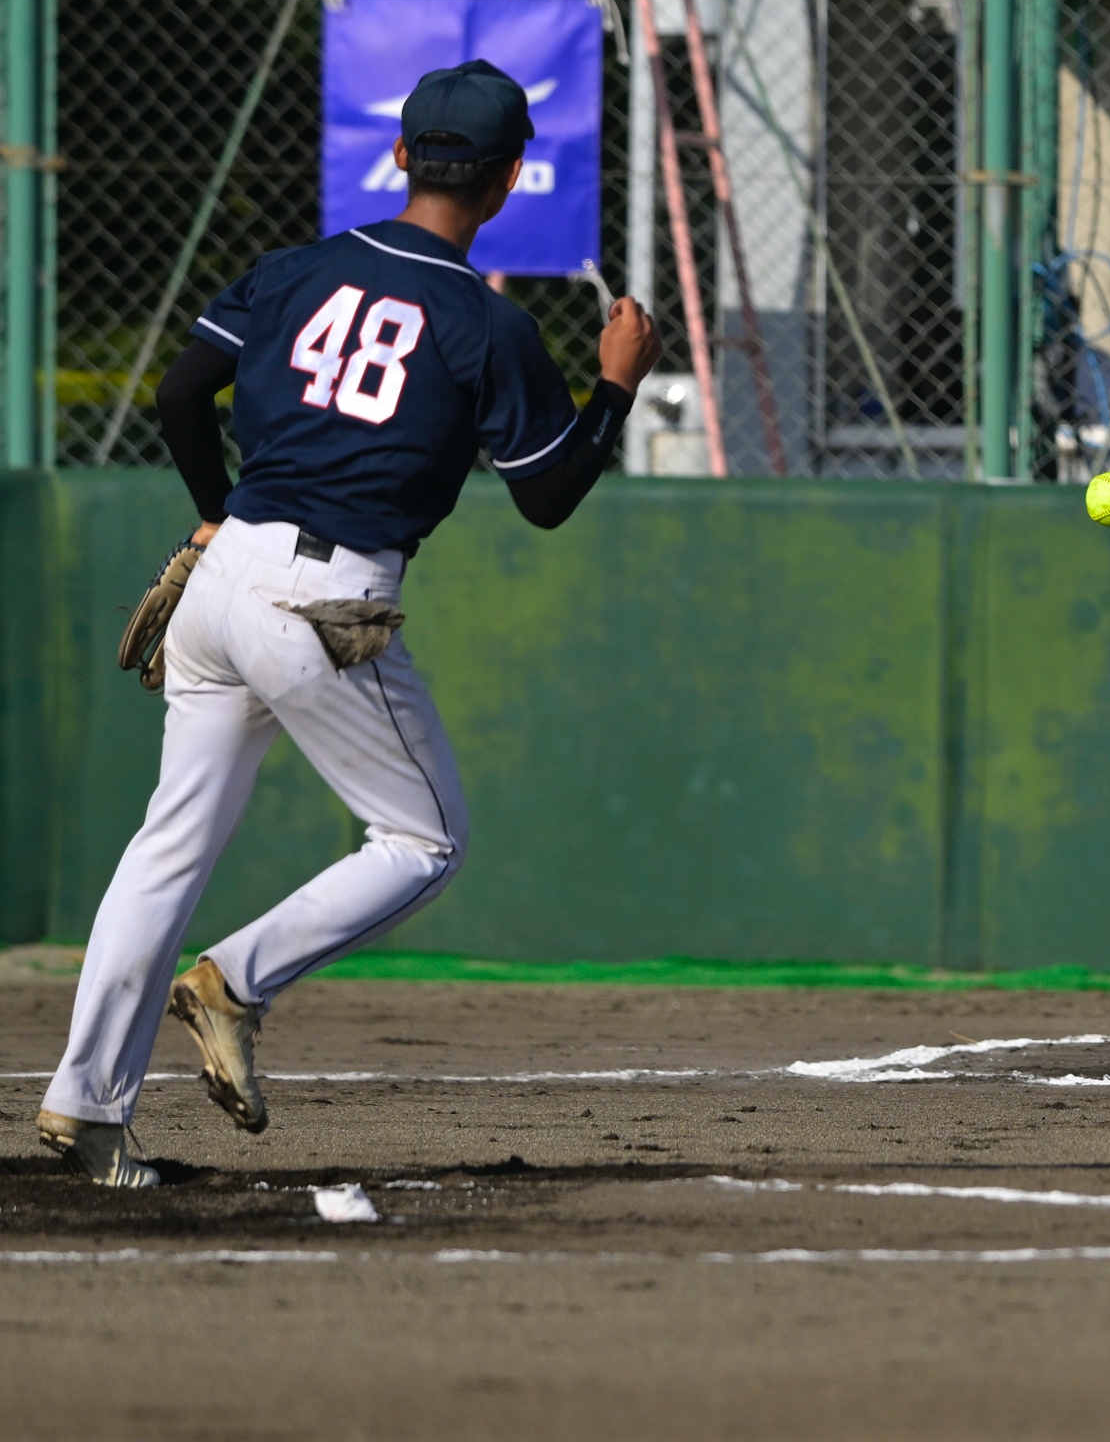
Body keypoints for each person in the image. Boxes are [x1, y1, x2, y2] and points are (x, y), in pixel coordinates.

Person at [37, 61, 663, 1186]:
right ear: (511, 179)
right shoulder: (488, 324)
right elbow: (549, 496)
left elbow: (179, 395)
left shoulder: (292, 269)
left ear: (401, 155)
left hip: (226, 571)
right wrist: (614, 387)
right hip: (323, 597)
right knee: (425, 841)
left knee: (169, 843)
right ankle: (236, 980)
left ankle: (86, 1104)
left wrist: (215, 514)